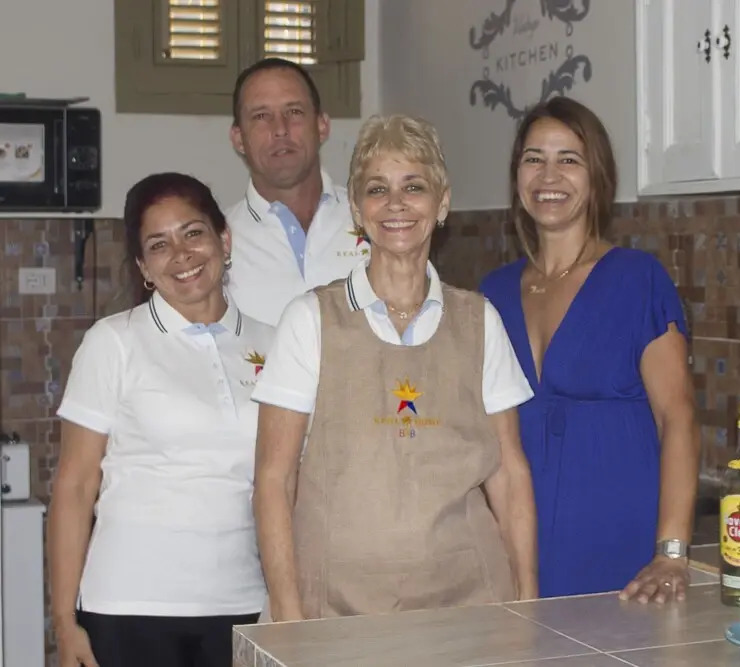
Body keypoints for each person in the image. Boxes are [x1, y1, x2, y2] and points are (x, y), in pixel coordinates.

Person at [252, 114, 539, 621]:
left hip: (470, 603)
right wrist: (289, 617)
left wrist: (528, 597)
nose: (396, 204)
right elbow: (274, 480)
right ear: (357, 208)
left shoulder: (479, 321)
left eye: (414, 186)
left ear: (442, 203)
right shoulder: (310, 319)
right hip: (335, 609)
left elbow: (509, 473)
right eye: (377, 189)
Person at [479, 97, 701, 602]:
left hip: (622, 553)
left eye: (569, 159)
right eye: (533, 158)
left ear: (597, 177)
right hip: (515, 552)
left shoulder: (637, 280)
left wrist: (671, 552)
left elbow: (679, 417)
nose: (548, 175)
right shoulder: (491, 293)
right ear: (517, 176)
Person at [48, 173, 273, 667]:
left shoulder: (274, 343)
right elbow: (75, 485)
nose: (181, 255)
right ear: (143, 267)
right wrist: (64, 620)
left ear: (224, 240)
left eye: (193, 233)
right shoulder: (114, 341)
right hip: (128, 608)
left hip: (243, 603)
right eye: (159, 245)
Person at [225, 57, 364, 327]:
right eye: (261, 116)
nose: (280, 129)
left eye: (295, 112)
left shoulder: (373, 219)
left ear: (322, 126)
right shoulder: (218, 242)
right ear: (239, 139)